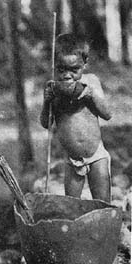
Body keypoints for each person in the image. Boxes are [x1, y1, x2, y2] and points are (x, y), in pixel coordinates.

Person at [40, 34, 112, 202]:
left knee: (103, 204)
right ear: (54, 65)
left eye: (74, 70)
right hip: (72, 160)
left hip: (96, 155)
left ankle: (105, 227)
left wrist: (90, 95)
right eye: (61, 69)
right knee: (72, 206)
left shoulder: (91, 82)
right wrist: (47, 101)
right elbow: (46, 123)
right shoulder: (53, 88)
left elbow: (107, 114)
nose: (67, 76)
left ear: (84, 65)